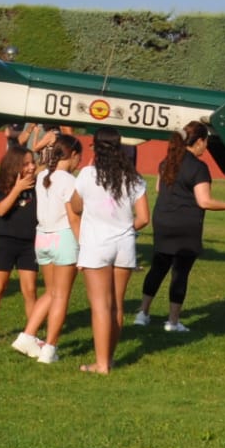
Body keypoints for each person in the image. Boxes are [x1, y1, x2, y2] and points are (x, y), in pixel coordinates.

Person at [136, 121, 225, 333]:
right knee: (180, 272)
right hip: (185, 224)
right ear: (198, 141)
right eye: (205, 142)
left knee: (158, 267)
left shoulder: (167, 161)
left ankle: (143, 313)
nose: (206, 147)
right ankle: (173, 321)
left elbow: (160, 188)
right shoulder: (198, 167)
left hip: (163, 220)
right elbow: (204, 201)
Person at [69, 128, 148, 375]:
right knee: (117, 306)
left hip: (96, 245)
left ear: (94, 147)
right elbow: (144, 218)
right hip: (124, 244)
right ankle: (109, 359)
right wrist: (124, 228)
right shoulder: (133, 177)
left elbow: (75, 205)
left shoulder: (87, 174)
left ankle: (101, 364)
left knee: (101, 306)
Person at [13, 133, 83, 363]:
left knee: (51, 293)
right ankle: (49, 347)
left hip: (42, 238)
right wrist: (84, 245)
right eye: (78, 158)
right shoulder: (70, 181)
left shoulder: (43, 175)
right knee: (61, 296)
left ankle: (27, 335)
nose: (79, 163)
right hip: (63, 238)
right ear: (72, 155)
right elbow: (74, 218)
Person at [0, 144, 38, 341]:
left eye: (33, 163)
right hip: (6, 241)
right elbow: (1, 210)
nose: (31, 167)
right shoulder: (3, 185)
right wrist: (18, 189)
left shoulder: (39, 184)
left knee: (30, 290)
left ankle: (31, 333)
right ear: (14, 166)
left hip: (30, 243)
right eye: (26, 164)